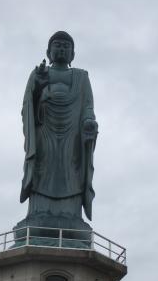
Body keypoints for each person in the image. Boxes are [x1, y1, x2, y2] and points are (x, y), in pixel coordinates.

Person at [19, 31, 98, 230]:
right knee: (43, 167)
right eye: (57, 45)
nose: (62, 48)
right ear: (48, 52)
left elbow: (88, 105)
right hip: (44, 131)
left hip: (73, 135)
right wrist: (38, 87)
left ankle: (71, 214)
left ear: (73, 54)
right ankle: (38, 212)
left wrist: (89, 121)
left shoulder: (81, 77)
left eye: (66, 46)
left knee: (71, 168)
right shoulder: (39, 73)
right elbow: (28, 105)